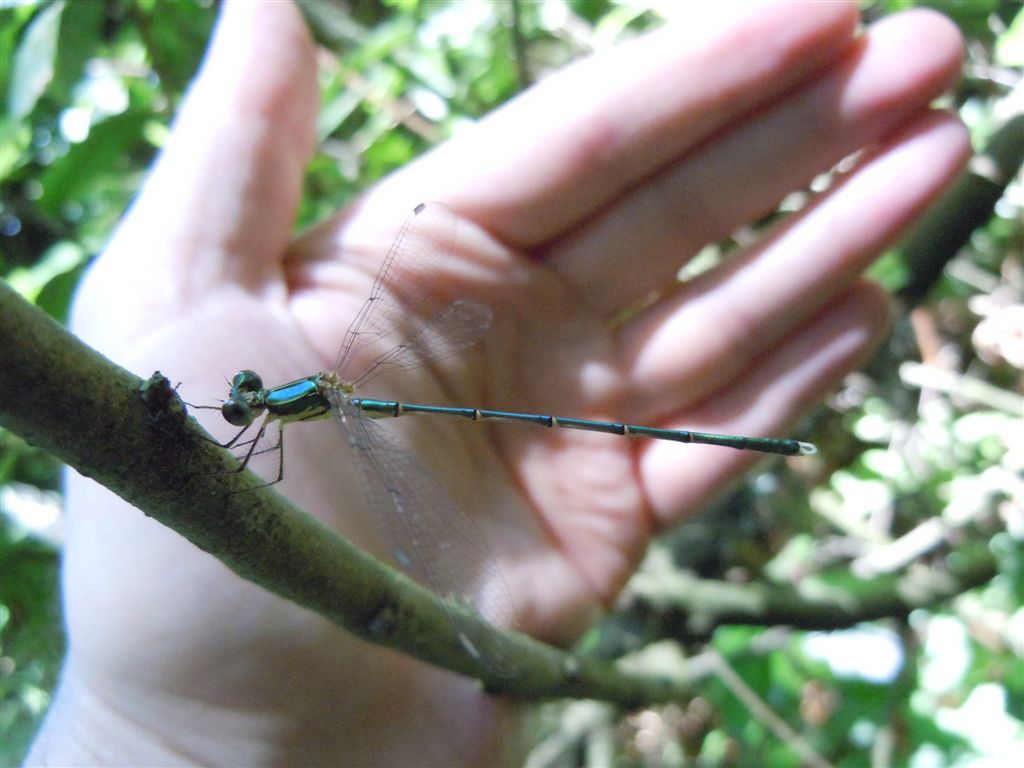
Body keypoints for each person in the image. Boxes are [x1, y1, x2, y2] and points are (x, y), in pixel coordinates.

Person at [26, 0, 967, 764]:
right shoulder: (288, 408)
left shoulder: (290, 413)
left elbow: (256, 451)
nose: (242, 408)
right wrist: (169, 737)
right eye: (243, 403)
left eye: (244, 404)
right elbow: (255, 444)